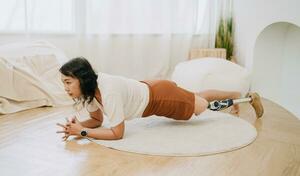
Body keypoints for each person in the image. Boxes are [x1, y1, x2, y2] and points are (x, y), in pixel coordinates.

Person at [56, 57, 264, 141]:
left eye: (68, 82)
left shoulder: (107, 90)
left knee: (200, 106)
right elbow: (97, 121)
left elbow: (117, 133)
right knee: (197, 98)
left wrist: (82, 132)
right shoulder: (91, 90)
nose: (65, 88)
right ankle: (235, 94)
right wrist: (79, 126)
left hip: (160, 98)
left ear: (82, 79)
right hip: (151, 90)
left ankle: (244, 99)